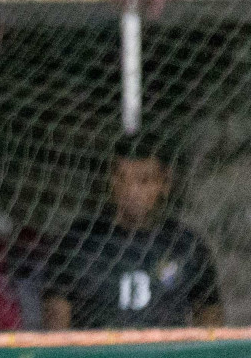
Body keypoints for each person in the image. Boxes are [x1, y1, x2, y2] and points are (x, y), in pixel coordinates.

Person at [44, 135, 222, 330]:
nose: (131, 190)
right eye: (121, 178)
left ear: (165, 183)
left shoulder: (186, 245)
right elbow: (56, 327)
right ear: (110, 181)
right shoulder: (80, 241)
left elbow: (210, 320)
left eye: (144, 180)